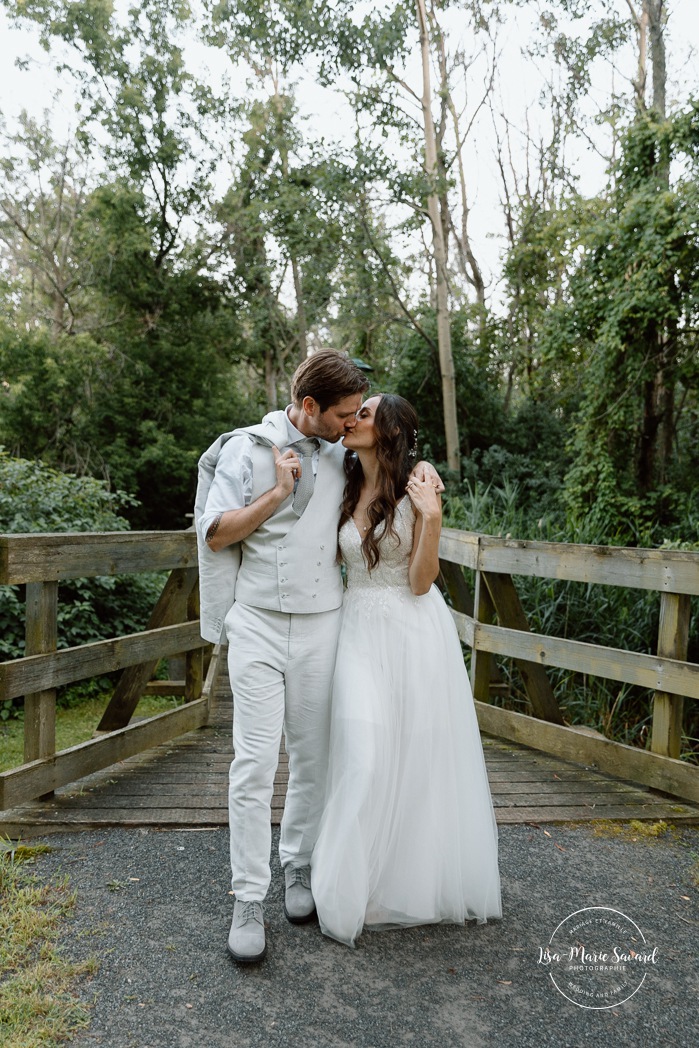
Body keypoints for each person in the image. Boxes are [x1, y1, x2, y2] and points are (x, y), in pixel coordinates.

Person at [195, 353, 441, 963]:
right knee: (253, 763)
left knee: (313, 757)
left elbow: (393, 465)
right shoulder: (244, 451)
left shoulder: (345, 456)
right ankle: (248, 898)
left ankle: (298, 865)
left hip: (326, 626)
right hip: (254, 623)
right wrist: (278, 492)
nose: (350, 421)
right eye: (342, 413)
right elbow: (215, 532)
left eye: (357, 414)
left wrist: (423, 470)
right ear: (309, 408)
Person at [311, 393, 502, 947]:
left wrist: (432, 516)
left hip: (412, 628)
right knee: (364, 751)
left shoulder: (417, 486)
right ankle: (348, 883)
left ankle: (399, 884)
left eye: (364, 415)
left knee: (412, 755)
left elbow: (421, 581)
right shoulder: (341, 478)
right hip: (355, 629)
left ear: (389, 431)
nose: (353, 420)